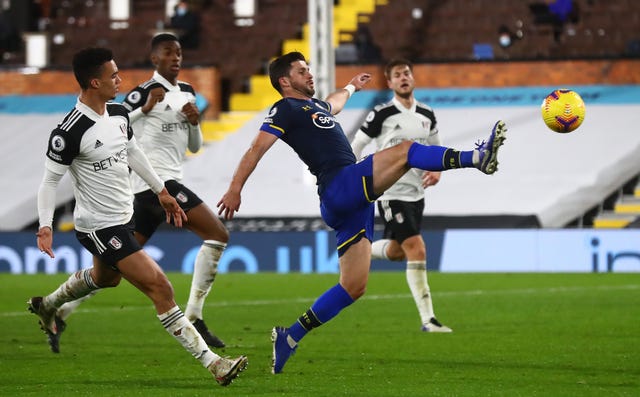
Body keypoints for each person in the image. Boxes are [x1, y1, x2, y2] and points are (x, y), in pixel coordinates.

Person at [216, 51, 507, 374]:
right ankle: (475, 157)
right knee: (406, 151)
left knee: (353, 286)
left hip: (350, 201)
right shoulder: (285, 108)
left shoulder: (315, 107)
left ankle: (290, 336)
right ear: (285, 81)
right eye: (302, 71)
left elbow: (335, 102)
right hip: (339, 185)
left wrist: (352, 87)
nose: (310, 74)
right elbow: (256, 148)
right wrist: (235, 188)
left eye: (310, 69)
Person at [28, 47, 247, 386]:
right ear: (94, 81)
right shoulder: (69, 131)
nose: (120, 80)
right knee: (161, 287)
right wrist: (45, 226)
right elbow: (49, 182)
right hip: (98, 226)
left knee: (106, 279)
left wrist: (162, 191)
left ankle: (49, 304)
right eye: (113, 75)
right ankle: (214, 363)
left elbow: (133, 152)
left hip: (124, 216)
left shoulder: (117, 113)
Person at [52, 32, 228, 351]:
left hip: (158, 189)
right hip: (156, 185)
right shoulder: (141, 93)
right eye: (168, 52)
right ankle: (195, 315)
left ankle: (60, 307)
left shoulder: (187, 92)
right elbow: (114, 124)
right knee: (217, 234)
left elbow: (195, 147)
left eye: (179, 52)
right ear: (155, 59)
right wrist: (146, 108)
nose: (175, 57)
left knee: (110, 271)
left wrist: (194, 123)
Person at [351, 58, 452, 333]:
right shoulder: (381, 114)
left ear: (413, 78)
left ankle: (359, 250)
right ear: (390, 82)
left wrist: (439, 172)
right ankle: (428, 320)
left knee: (398, 252)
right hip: (389, 192)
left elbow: (436, 148)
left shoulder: (427, 114)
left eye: (407, 73)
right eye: (397, 75)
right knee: (417, 247)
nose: (403, 78)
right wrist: (351, 176)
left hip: (416, 193)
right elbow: (357, 144)